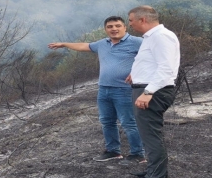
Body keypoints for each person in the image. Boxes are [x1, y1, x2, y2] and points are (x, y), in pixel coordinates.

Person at [48, 16, 145, 163]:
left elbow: (154, 57)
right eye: (110, 26)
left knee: (128, 122)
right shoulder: (102, 43)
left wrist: (138, 71)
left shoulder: (137, 42)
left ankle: (138, 154)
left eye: (117, 26)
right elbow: (84, 46)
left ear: (125, 27)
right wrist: (64, 44)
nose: (114, 29)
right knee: (107, 121)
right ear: (106, 29)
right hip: (104, 89)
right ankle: (113, 151)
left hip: (124, 90)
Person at [123, 6, 180, 178]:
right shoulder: (152, 37)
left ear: (143, 20)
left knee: (151, 136)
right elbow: (152, 63)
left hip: (153, 92)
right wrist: (136, 74)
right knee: (147, 135)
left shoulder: (161, 37)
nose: (129, 24)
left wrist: (148, 93)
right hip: (147, 88)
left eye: (131, 20)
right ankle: (153, 171)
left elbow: (166, 69)